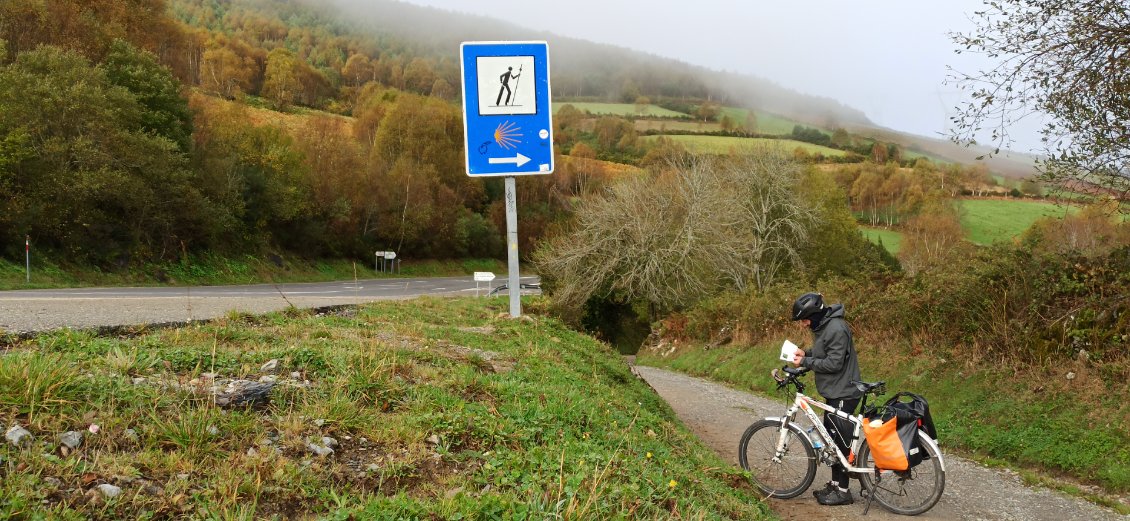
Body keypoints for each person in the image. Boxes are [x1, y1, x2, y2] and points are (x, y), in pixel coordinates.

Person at [790, 291, 861, 506]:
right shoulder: (824, 327)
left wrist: (806, 363)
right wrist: (806, 354)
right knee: (831, 439)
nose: (803, 324)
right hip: (834, 391)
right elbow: (823, 350)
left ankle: (843, 491)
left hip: (844, 392)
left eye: (804, 319)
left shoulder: (837, 328)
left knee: (839, 441)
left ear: (814, 315)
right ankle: (834, 483)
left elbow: (834, 363)